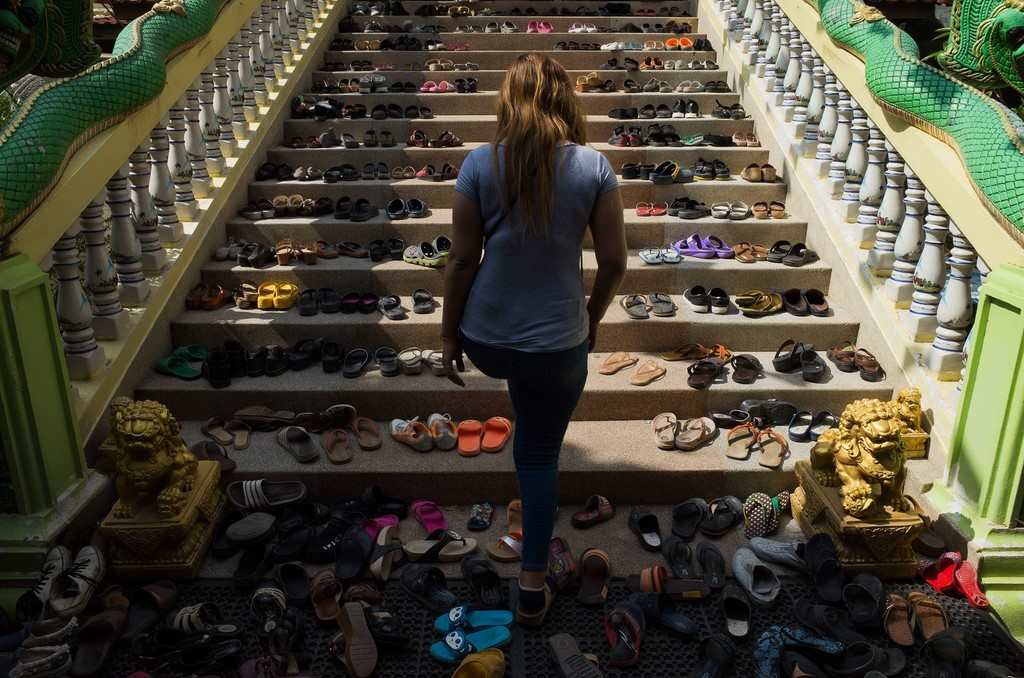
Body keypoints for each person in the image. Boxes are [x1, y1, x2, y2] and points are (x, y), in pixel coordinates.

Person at [441, 53, 627, 625]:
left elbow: (461, 261)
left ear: (507, 100)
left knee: (525, 394)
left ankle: (527, 507)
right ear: (566, 100)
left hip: (487, 338)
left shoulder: (479, 163)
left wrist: (448, 334)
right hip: (557, 343)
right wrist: (592, 316)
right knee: (540, 453)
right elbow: (615, 261)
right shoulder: (593, 167)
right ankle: (531, 587)